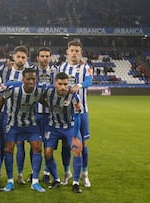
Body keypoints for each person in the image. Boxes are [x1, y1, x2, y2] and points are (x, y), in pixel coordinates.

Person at [0, 68, 46, 193]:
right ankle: (10, 181)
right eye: (28, 79)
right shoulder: (14, 91)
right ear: (23, 79)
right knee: (9, 150)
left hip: (31, 125)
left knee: (38, 148)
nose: (31, 81)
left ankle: (35, 182)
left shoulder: (38, 91)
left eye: (33, 79)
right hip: (14, 125)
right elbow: (2, 98)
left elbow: (44, 101)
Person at [42, 72, 83, 193]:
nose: (63, 87)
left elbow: (78, 117)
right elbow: (39, 98)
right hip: (53, 126)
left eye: (65, 84)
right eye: (60, 84)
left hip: (70, 127)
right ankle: (56, 179)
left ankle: (75, 183)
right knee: (48, 152)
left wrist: (75, 135)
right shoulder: (48, 92)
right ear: (55, 83)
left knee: (77, 150)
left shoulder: (74, 96)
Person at [59, 40, 93, 187]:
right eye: (72, 50)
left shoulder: (86, 67)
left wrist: (79, 85)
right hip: (65, 113)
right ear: (67, 51)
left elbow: (89, 81)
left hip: (82, 112)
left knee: (83, 145)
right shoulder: (62, 67)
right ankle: (67, 173)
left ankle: (85, 174)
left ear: (81, 52)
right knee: (66, 144)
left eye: (77, 51)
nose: (74, 53)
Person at [0, 45, 29, 185]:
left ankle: (20, 174)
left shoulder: (30, 72)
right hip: (5, 114)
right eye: (18, 57)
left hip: (22, 116)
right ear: (13, 57)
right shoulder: (3, 71)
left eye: (23, 57)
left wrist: (10, 85)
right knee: (3, 145)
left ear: (26, 59)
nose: (20, 60)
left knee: (20, 145)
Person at [27, 47, 58, 184]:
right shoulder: (32, 71)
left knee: (48, 146)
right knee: (34, 144)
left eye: (47, 56)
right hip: (35, 113)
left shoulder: (55, 71)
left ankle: (46, 173)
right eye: (42, 56)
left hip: (50, 115)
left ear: (50, 57)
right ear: (38, 57)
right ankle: (34, 172)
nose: (45, 58)